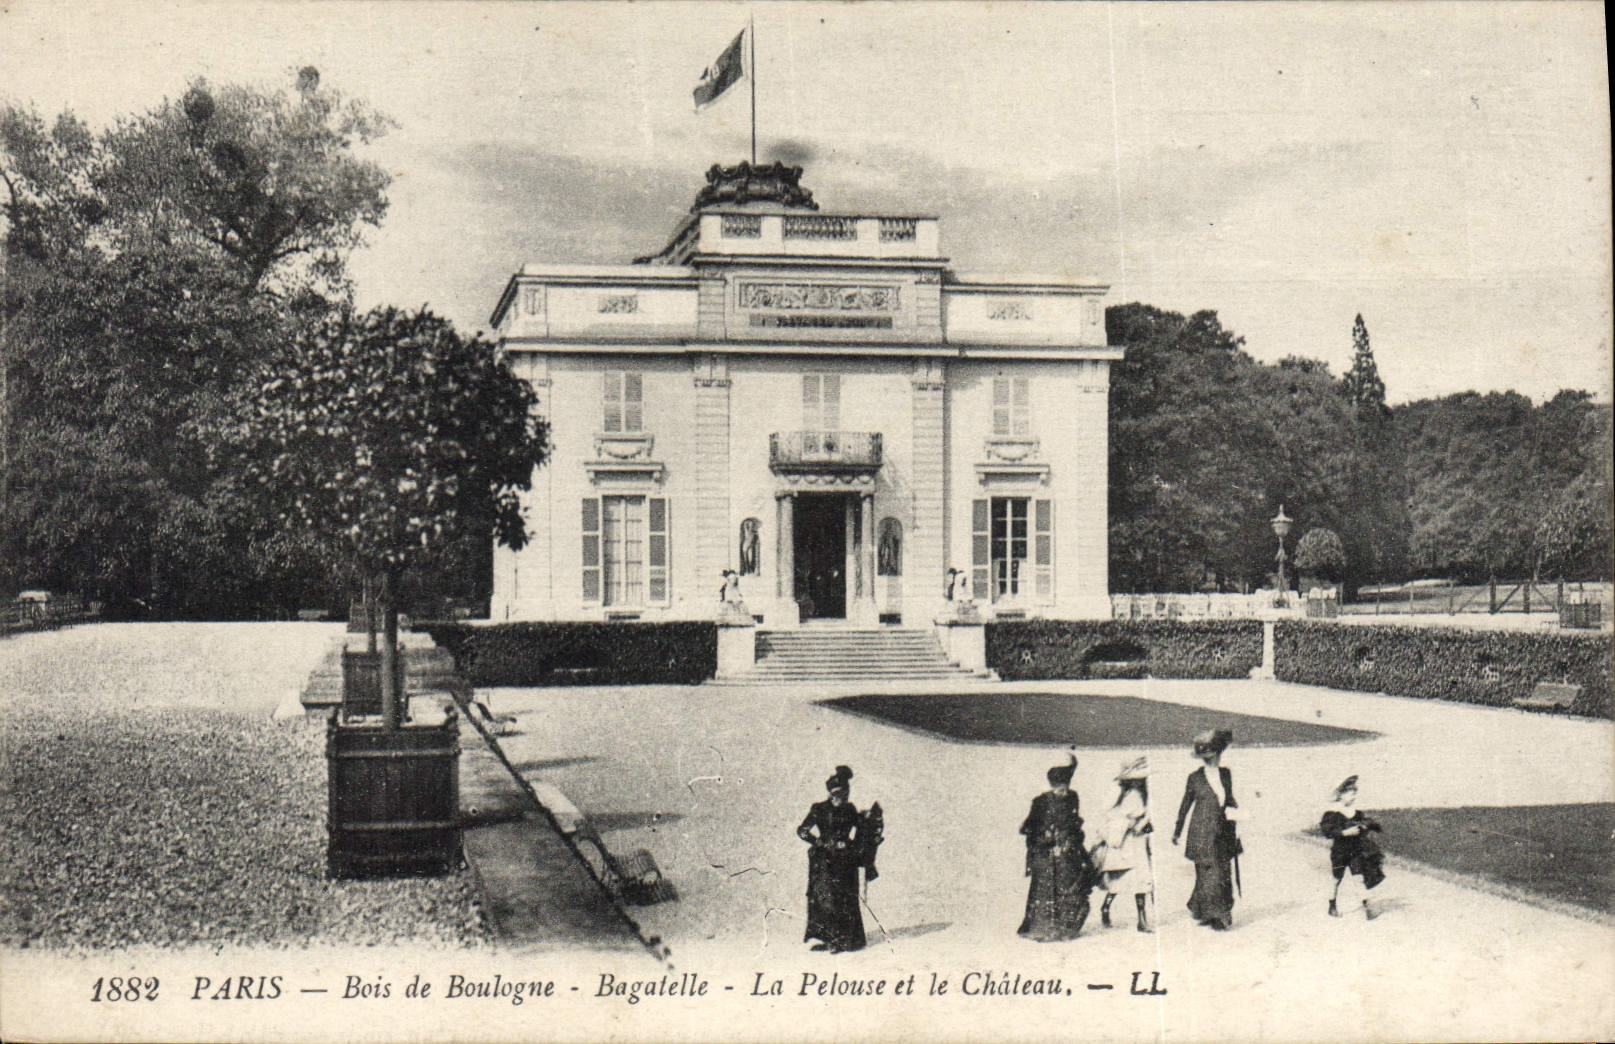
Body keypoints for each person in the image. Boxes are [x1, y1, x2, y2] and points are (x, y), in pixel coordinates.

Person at [1018, 753, 1092, 941]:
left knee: (1070, 887)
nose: (1062, 790)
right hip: (1046, 853)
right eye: (1058, 786)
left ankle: (1067, 928)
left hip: (1068, 852)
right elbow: (1028, 827)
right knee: (1046, 890)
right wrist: (1046, 836)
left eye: (1065, 786)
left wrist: (1071, 839)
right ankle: (1044, 929)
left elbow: (1075, 823)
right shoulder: (1040, 802)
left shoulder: (1073, 797)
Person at [1172, 728, 1240, 930]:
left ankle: (1202, 910)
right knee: (1210, 873)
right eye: (1206, 757)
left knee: (1223, 872)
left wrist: (1238, 816)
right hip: (1201, 833)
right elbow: (1185, 805)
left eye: (1213, 755)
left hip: (1224, 831)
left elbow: (1229, 799)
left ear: (1219, 753)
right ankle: (1218, 916)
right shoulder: (1194, 778)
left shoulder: (1226, 774)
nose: (1210, 760)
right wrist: (1177, 830)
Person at [797, 765, 867, 953]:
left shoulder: (850, 809)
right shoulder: (818, 809)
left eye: (845, 792)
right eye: (839, 792)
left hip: (845, 860)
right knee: (826, 898)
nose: (842, 796)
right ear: (831, 792)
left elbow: (860, 832)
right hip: (824, 862)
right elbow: (802, 831)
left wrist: (854, 839)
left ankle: (849, 940)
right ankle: (830, 939)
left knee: (846, 897)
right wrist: (820, 842)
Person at [1094, 756, 1154, 932]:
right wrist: (1136, 823)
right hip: (1127, 843)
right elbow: (1122, 817)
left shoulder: (1130, 795)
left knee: (1137, 881)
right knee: (1127, 880)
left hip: (1133, 842)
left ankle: (1139, 919)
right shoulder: (1133, 796)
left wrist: (1141, 823)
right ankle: (1109, 909)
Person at [1321, 775, 1385, 920]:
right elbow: (1327, 831)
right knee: (1336, 879)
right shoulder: (1333, 814)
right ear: (1341, 795)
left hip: (1355, 851)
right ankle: (1332, 905)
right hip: (1339, 852)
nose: (1354, 796)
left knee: (1359, 878)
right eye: (1351, 793)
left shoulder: (1356, 813)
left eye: (1355, 793)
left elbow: (1366, 827)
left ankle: (1367, 908)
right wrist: (1345, 832)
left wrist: (1364, 827)